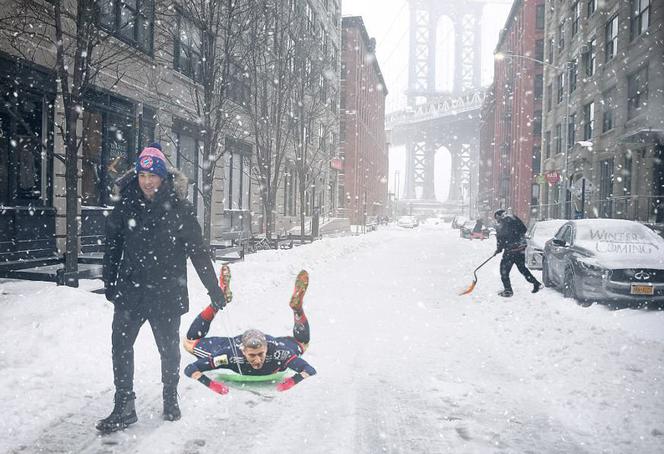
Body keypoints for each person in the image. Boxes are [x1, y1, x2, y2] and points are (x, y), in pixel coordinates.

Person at [98, 143, 227, 434]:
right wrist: (109, 281)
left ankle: (170, 395)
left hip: (166, 290)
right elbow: (112, 246)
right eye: (143, 174)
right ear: (137, 176)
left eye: (153, 175)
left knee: (168, 349)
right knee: (120, 346)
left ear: (163, 177)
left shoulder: (179, 209)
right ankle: (124, 404)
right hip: (131, 290)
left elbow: (198, 252)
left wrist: (213, 289)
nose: (147, 181)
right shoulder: (126, 204)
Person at [183, 269, 316, 394]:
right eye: (252, 355)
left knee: (302, 343)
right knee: (190, 342)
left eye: (260, 354)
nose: (258, 360)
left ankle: (298, 309)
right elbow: (190, 369)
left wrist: (291, 382)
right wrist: (213, 386)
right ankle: (216, 304)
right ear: (243, 351)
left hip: (272, 342)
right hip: (232, 343)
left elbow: (309, 370)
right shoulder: (229, 355)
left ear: (266, 348)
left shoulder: (278, 352)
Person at [494, 209, 541, 297]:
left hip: (511, 250)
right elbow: (524, 229)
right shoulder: (514, 218)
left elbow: (501, 238)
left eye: (496, 218)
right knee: (522, 269)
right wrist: (517, 238)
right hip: (520, 249)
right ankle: (536, 283)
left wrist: (499, 249)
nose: (497, 220)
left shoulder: (501, 224)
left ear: (498, 216)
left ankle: (508, 291)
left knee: (504, 271)